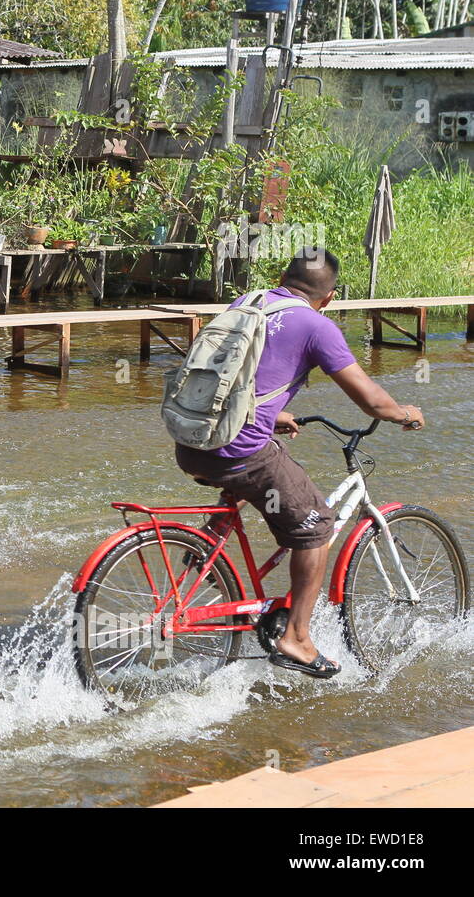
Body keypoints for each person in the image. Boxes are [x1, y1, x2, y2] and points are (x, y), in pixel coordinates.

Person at [174, 247, 424, 679]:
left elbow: (237, 374)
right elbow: (370, 400)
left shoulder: (249, 302)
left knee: (264, 477)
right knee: (316, 526)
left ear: (283, 278)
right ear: (329, 297)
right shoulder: (316, 325)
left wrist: (272, 413)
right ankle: (298, 638)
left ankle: (208, 552)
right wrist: (404, 412)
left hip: (191, 439)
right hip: (239, 449)